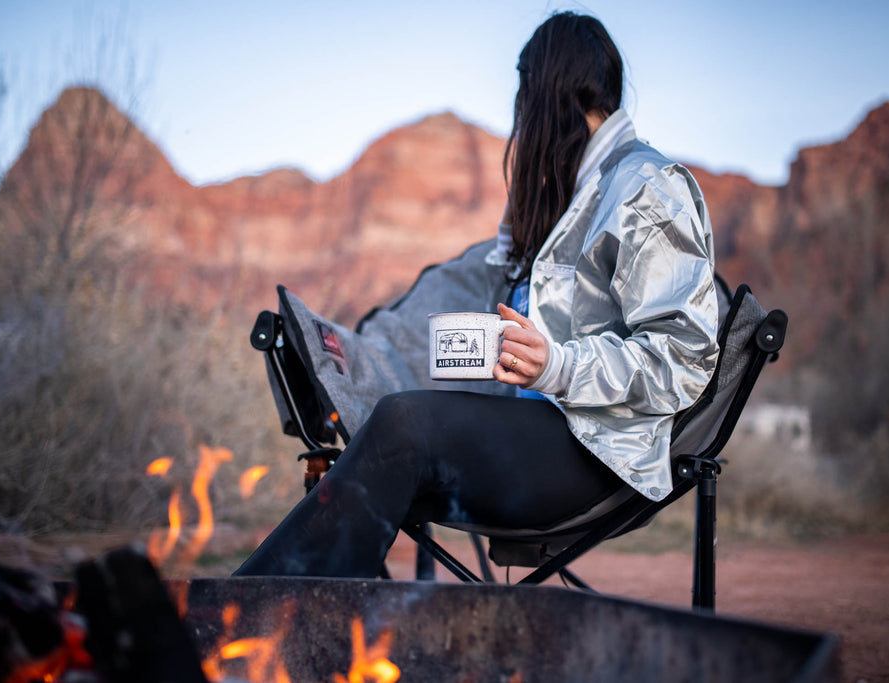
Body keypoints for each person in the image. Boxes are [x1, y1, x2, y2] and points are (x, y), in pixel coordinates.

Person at [234, 12, 719, 578]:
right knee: (390, 428)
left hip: (597, 453)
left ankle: (243, 615)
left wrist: (558, 365)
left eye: (523, 101)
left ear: (543, 96)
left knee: (405, 423)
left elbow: (683, 360)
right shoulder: (578, 196)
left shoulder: (644, 186)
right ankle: (315, 622)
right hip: (543, 434)